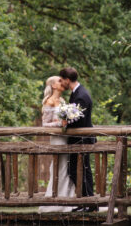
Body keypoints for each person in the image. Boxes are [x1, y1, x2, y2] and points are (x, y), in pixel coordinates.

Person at [59, 66, 96, 211]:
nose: (61, 83)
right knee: (78, 171)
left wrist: (65, 122)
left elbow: (79, 120)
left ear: (68, 80)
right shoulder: (77, 93)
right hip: (78, 140)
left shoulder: (81, 95)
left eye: (62, 80)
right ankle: (85, 202)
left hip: (82, 139)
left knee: (81, 171)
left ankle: (89, 204)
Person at [39, 76, 75, 212]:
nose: (62, 82)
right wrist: (60, 123)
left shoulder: (63, 101)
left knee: (67, 168)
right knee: (59, 167)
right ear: (53, 85)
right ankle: (54, 201)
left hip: (66, 138)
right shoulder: (49, 101)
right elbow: (45, 124)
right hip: (57, 139)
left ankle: (68, 199)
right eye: (59, 81)